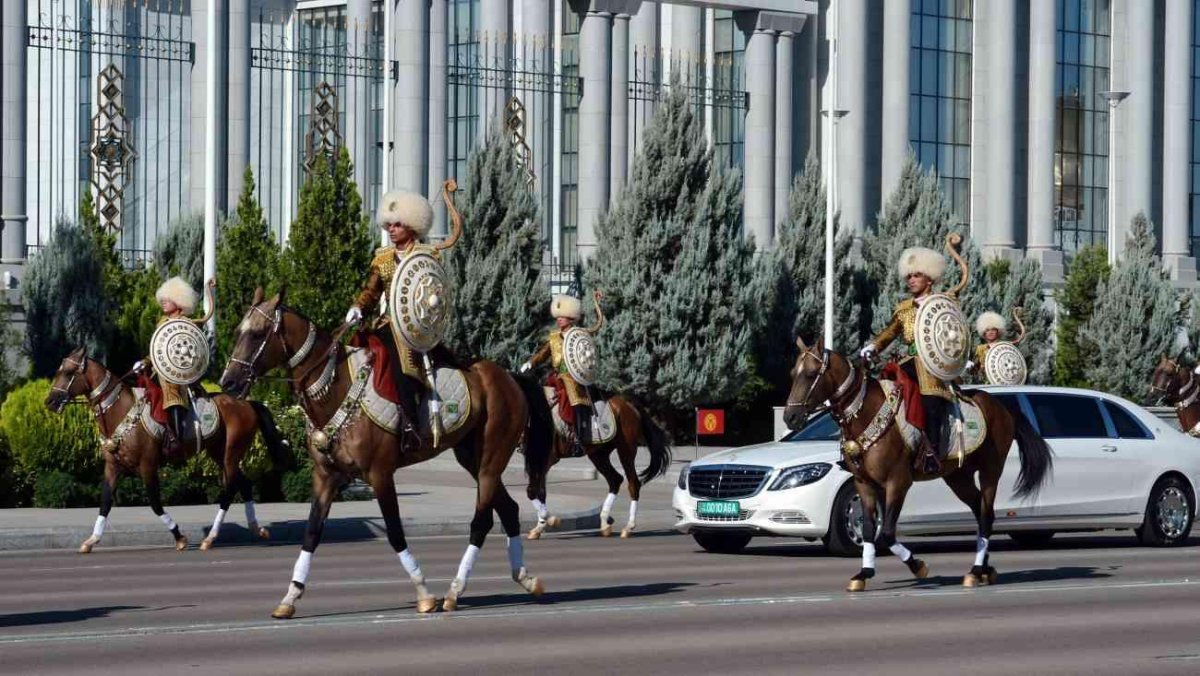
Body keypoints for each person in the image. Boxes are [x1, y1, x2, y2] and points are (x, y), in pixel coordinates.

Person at [345, 190, 442, 450]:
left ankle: (411, 423)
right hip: (387, 322)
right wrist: (358, 307)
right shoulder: (383, 259)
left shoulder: (427, 257)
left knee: (402, 363)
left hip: (416, 327)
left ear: (412, 225)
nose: (392, 229)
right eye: (389, 224)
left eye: (397, 224)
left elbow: (434, 294)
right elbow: (371, 291)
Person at [859, 247, 957, 472]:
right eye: (909, 276)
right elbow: (890, 332)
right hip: (908, 362)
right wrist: (874, 346)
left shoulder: (943, 304)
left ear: (930, 278)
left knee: (931, 400)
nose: (911, 280)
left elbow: (954, 336)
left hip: (934, 366)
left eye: (917, 276)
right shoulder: (903, 309)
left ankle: (931, 452)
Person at [135, 277, 211, 458]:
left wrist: (208, 289)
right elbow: (157, 353)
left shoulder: (187, 324)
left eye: (167, 300)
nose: (163, 303)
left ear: (179, 302)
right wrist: (145, 362)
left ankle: (176, 440)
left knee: (172, 391)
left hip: (179, 375)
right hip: (158, 372)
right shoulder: (161, 323)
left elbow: (191, 351)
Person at [522, 291, 604, 456]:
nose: (559, 319)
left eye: (563, 317)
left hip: (574, 378)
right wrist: (530, 362)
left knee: (573, 399)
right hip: (556, 377)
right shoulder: (553, 337)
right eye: (558, 317)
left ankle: (578, 439)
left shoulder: (579, 334)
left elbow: (597, 325)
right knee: (537, 398)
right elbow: (543, 353)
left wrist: (597, 304)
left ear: (571, 319)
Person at [968, 311, 1008, 381]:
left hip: (1002, 381)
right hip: (984, 383)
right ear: (984, 332)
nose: (991, 332)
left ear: (998, 331)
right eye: (987, 330)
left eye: (993, 329)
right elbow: (974, 369)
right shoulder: (980, 349)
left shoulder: (1004, 347)